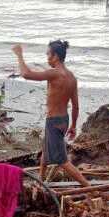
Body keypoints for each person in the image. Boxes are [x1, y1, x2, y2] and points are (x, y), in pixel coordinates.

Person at [12, 41, 90, 187]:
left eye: (48, 54)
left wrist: (19, 55)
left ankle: (88, 187)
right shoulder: (71, 77)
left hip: (54, 121)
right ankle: (40, 181)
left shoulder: (54, 74)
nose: (47, 57)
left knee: (63, 161)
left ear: (55, 56)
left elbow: (26, 74)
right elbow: (76, 106)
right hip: (63, 120)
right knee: (46, 151)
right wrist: (73, 126)